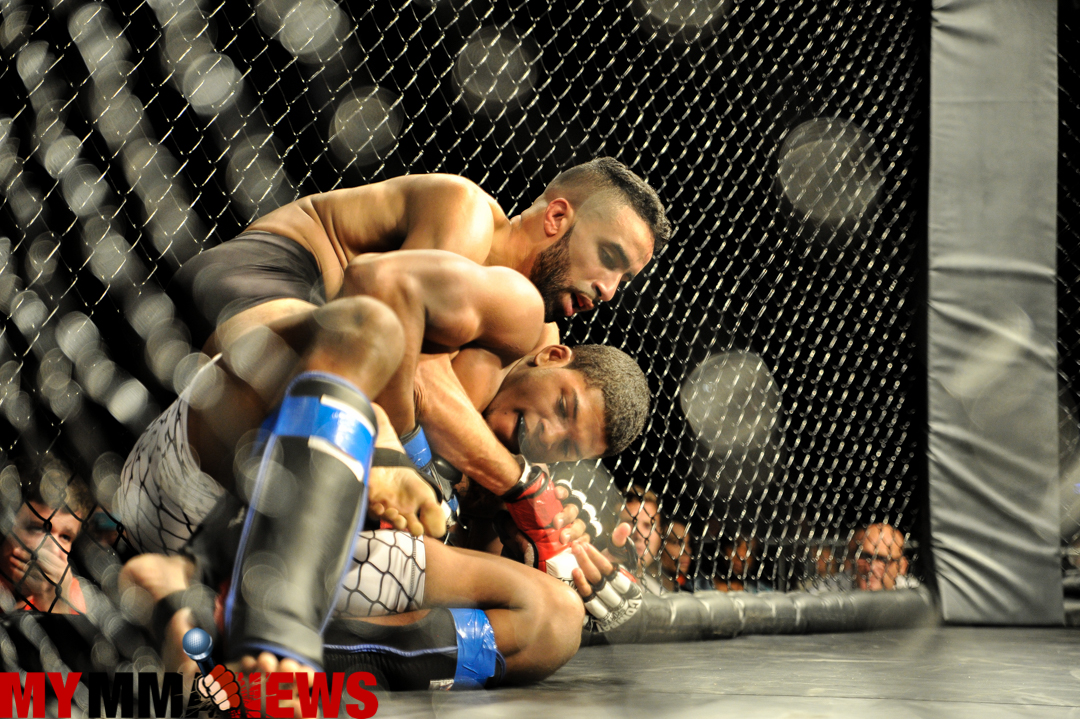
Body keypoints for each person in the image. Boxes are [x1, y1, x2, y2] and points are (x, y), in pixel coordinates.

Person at [117, 250, 650, 699]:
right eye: (563, 407)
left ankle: (223, 641)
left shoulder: (516, 475)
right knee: (362, 341)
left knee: (555, 620)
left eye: (568, 447)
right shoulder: (480, 329)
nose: (549, 434)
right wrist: (405, 452)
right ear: (552, 356)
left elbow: (438, 548)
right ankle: (261, 621)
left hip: (300, 562)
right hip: (207, 477)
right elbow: (377, 291)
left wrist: (526, 549)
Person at [170, 158, 671, 355]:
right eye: (609, 256)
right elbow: (408, 365)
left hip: (319, 339)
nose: (608, 290)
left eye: (624, 279)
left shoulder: (536, 332)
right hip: (261, 279)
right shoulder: (465, 210)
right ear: (557, 217)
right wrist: (515, 482)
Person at [1, 469, 93, 614]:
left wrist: (55, 606)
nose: (54, 549)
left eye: (65, 537)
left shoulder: (71, 591)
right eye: (38, 529)